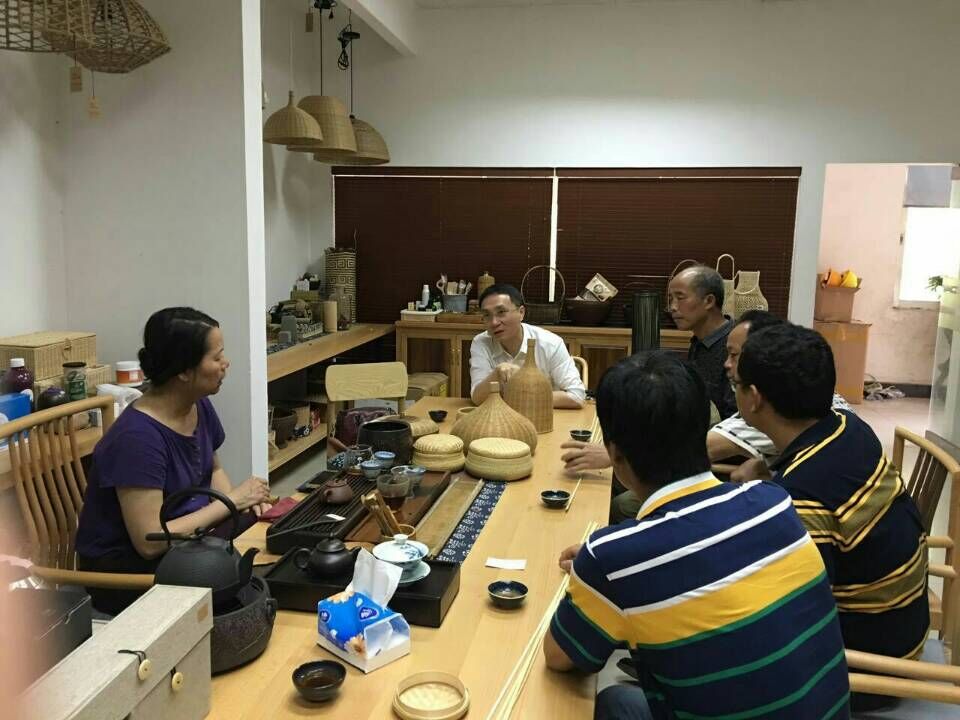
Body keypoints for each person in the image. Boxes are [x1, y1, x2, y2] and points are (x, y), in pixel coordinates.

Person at [542, 351, 850, 720]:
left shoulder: (612, 559)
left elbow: (559, 657)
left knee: (608, 702)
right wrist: (614, 568)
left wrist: (603, 572)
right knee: (622, 699)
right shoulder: (773, 502)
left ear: (614, 454)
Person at [733, 324, 928, 701]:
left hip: (868, 668)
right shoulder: (848, 427)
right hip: (902, 629)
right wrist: (768, 481)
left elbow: (794, 610)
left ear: (754, 398)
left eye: (736, 384)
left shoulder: (802, 493)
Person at [76, 307, 273, 614]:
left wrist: (242, 507)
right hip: (128, 573)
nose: (226, 363)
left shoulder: (197, 404)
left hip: (186, 547)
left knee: (273, 541)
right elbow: (149, 541)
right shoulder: (137, 438)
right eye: (217, 357)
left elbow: (213, 469)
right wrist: (232, 501)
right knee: (256, 587)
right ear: (183, 371)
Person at [709, 310, 852, 481]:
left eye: (734, 355)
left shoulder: (776, 413)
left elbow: (695, 451)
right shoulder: (843, 419)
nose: (727, 364)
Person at [469, 283, 585, 408]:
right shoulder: (481, 342)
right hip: (500, 417)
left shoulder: (550, 343)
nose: (494, 322)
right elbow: (477, 398)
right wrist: (497, 374)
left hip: (543, 415)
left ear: (521, 313)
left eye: (501, 312)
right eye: (487, 315)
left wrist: (523, 396)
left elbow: (577, 396)